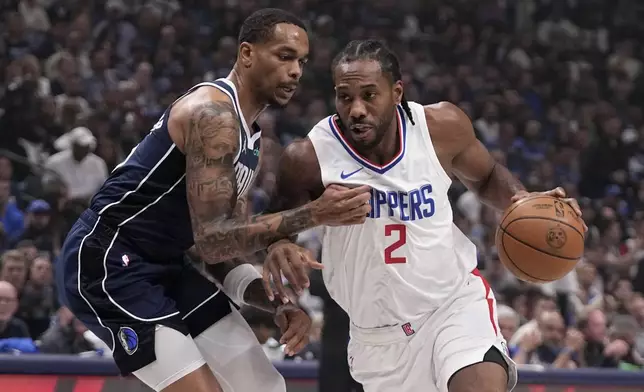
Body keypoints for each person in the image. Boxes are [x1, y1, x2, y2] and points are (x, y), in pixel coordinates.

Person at [55, 9, 371, 392]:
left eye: (301, 61)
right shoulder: (213, 115)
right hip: (110, 259)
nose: (296, 72)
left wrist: (278, 304)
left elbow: (220, 252)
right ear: (247, 54)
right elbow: (212, 238)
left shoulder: (248, 137)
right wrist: (313, 214)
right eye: (284, 56)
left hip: (166, 265)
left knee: (265, 387)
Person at [264, 39, 586, 392]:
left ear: (397, 92)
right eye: (345, 97)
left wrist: (521, 199)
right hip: (378, 339)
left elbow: (487, 174)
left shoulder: (441, 127)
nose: (356, 109)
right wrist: (286, 238)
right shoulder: (308, 158)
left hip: (452, 304)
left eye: (369, 95)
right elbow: (273, 230)